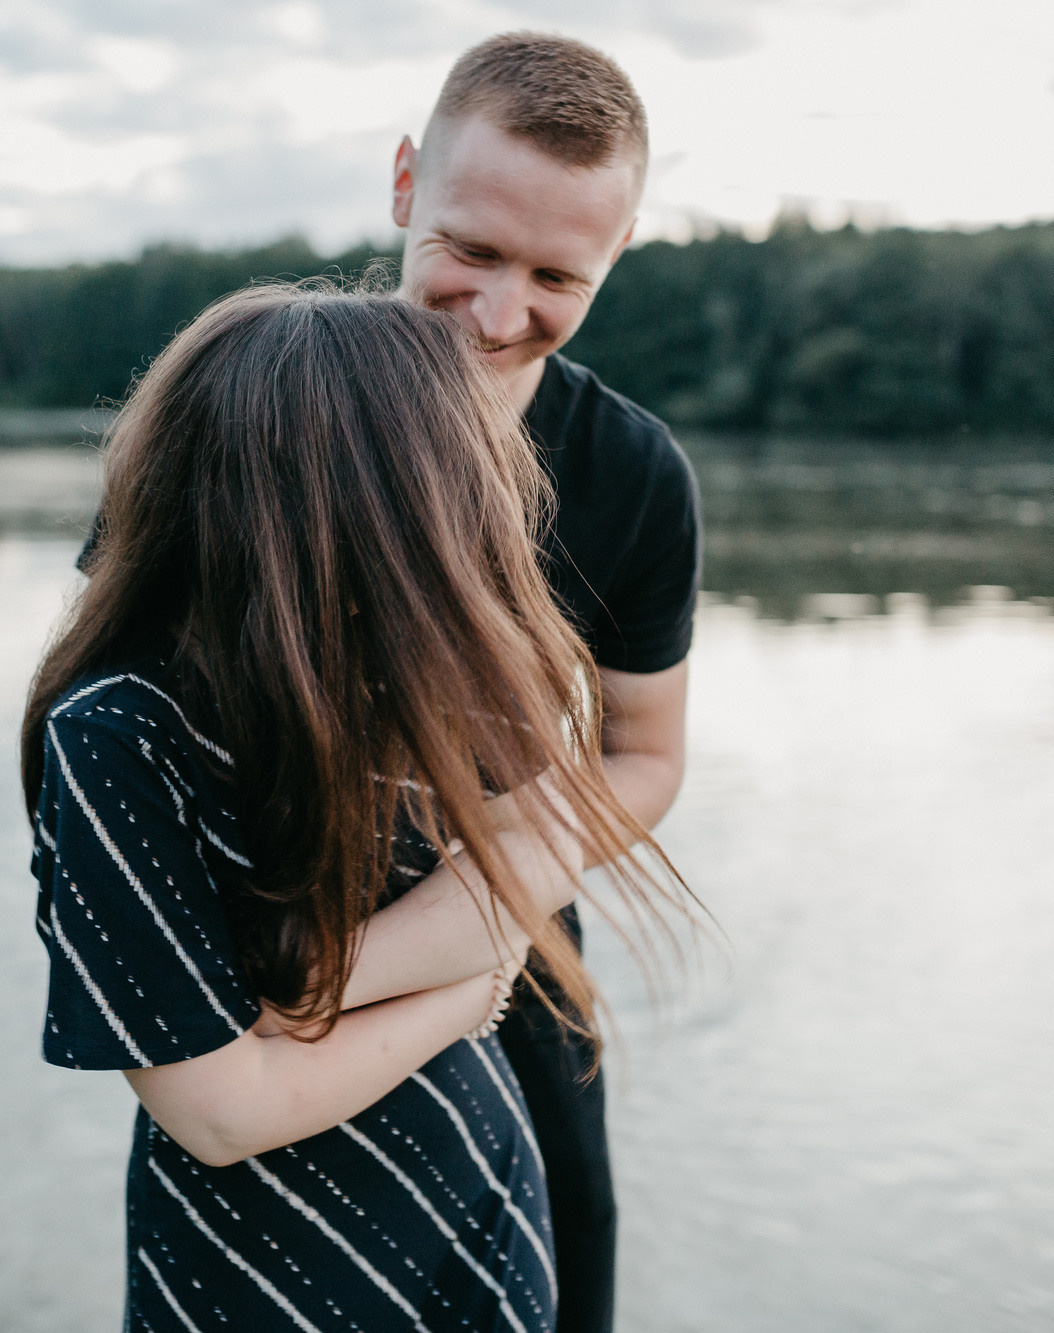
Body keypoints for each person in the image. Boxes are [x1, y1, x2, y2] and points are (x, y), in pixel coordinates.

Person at [24, 283, 689, 1329]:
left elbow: (541, 845)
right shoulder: (120, 737)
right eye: (457, 496)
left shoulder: (431, 671)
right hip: (260, 1272)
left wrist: (308, 984)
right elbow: (218, 1111)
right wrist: (458, 996)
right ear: (366, 510)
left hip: (474, 1216)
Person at [392, 33, 700, 1333]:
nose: (504, 313)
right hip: (263, 951)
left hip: (519, 947)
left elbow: (647, 748)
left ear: (614, 260)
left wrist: (490, 894)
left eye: (558, 275)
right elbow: (97, 696)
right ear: (406, 182)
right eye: (469, 249)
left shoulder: (634, 474)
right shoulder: (249, 404)